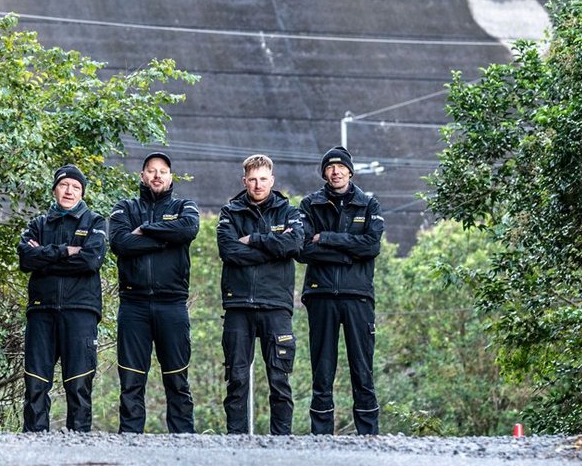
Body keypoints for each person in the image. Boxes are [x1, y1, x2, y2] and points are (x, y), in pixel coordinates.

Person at [108, 150, 201, 433]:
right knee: (132, 379)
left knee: (176, 378)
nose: (157, 175)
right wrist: (164, 238)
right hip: (133, 304)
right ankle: (130, 439)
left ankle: (183, 438)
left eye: (162, 170)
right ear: (142, 176)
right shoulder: (124, 208)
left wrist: (146, 229)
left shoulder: (186, 206)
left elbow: (188, 229)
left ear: (170, 177)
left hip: (172, 304)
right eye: (151, 170)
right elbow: (120, 243)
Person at [297, 146, 384, 435]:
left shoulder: (368, 203)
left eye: (340, 167)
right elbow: (303, 247)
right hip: (321, 295)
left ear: (350, 170)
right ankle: (321, 435)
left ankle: (368, 433)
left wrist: (329, 238)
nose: (335, 171)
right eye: (330, 167)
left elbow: (372, 246)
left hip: (358, 296)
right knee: (322, 370)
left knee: (362, 368)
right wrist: (347, 254)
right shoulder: (310, 204)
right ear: (324, 172)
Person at [217, 153, 304, 435]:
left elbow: (293, 245)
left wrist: (254, 239)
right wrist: (271, 250)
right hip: (238, 305)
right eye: (252, 180)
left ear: (272, 180)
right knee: (237, 379)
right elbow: (229, 252)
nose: (258, 185)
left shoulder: (289, 212)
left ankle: (282, 442)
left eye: (263, 179)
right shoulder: (230, 212)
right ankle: (236, 442)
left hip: (276, 306)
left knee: (280, 380)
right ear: (245, 181)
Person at [17, 164, 107, 433]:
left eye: (76, 187)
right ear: (55, 189)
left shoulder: (95, 222)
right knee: (35, 382)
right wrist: (67, 250)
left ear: (82, 192)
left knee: (78, 383)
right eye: (64, 185)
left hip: (81, 310)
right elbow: (25, 259)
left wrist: (45, 257)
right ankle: (33, 443)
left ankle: (78, 446)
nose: (69, 191)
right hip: (41, 311)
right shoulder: (38, 224)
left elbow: (91, 261)